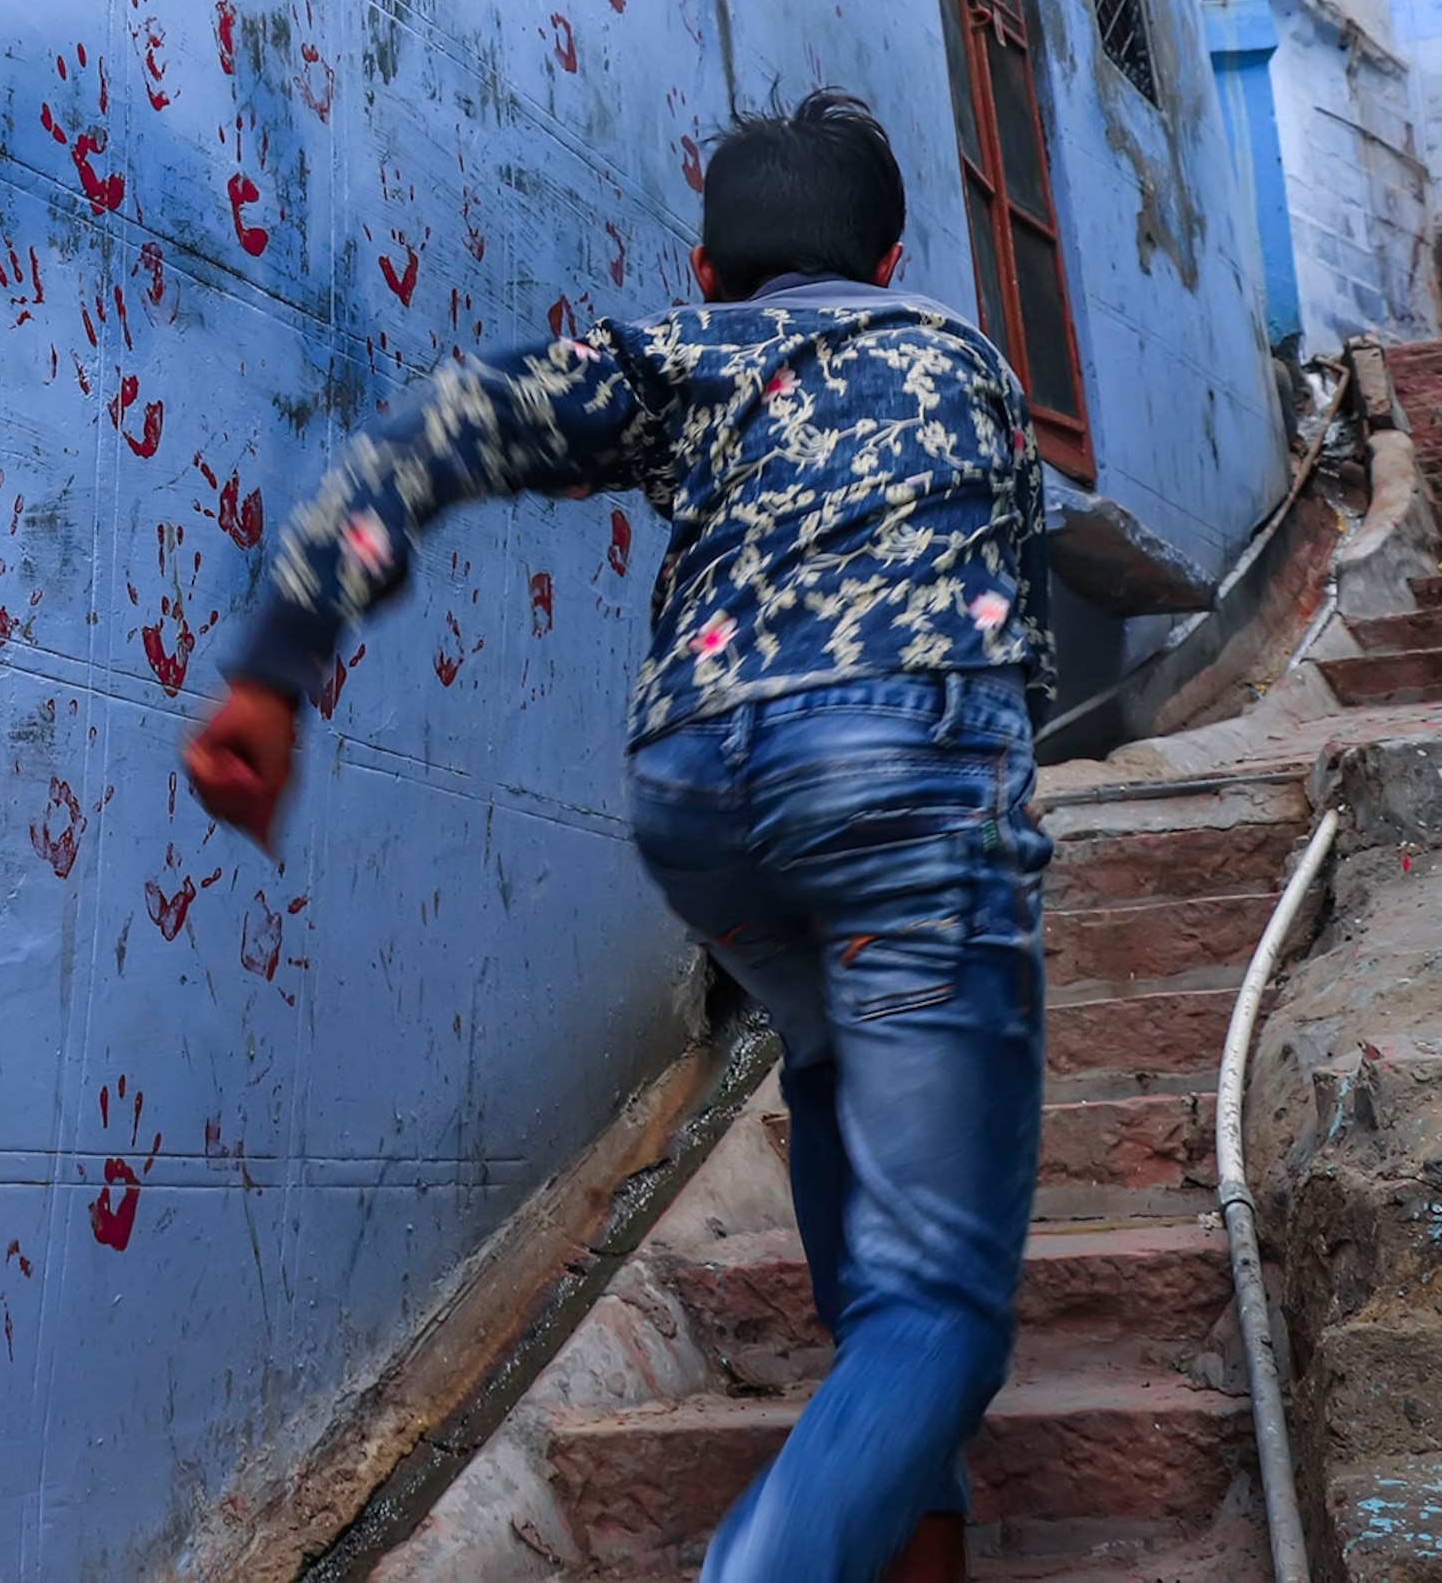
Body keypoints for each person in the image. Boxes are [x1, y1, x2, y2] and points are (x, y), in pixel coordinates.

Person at [182, 91, 1053, 1583]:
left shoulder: (687, 348)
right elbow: (1017, 609)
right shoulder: (967, 362)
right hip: (908, 776)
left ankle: (914, 1528)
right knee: (945, 1307)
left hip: (705, 787)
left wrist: (274, 664)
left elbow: (438, 434)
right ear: (897, 259)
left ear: (706, 271)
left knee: (843, 1060)